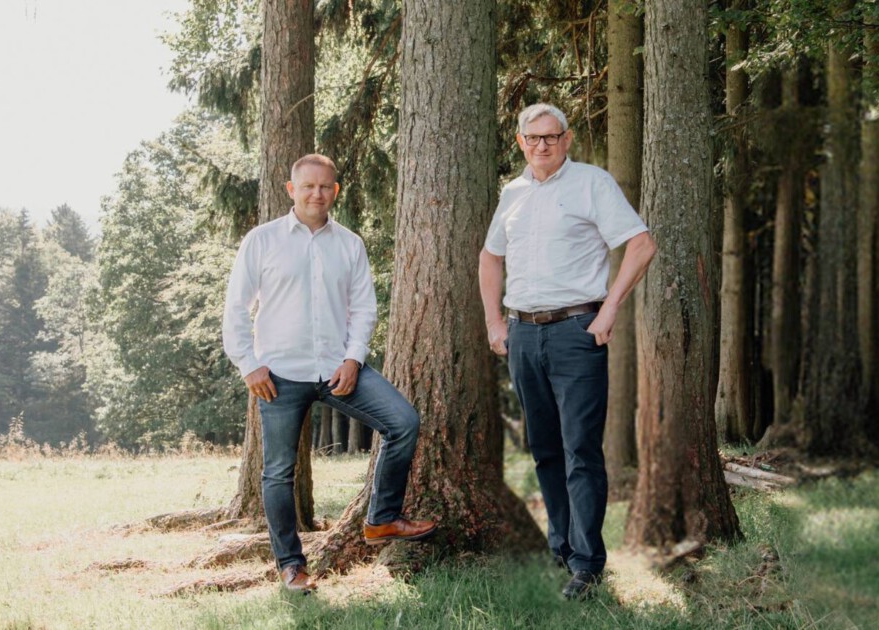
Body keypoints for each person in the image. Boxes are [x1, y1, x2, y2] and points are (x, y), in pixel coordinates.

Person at [222, 154, 437, 593]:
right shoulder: (261, 241)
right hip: (277, 375)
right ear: (291, 190)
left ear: (335, 191)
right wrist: (249, 365)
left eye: (325, 187)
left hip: (339, 370)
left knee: (403, 423)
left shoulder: (349, 244)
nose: (317, 194)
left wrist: (354, 359)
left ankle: (381, 519)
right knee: (278, 472)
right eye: (308, 187)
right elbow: (235, 308)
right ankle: (291, 565)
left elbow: (363, 308)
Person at [479, 104, 657, 600]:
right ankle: (559, 548)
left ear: (568, 138)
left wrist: (609, 311)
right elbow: (490, 256)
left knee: (580, 449)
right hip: (522, 334)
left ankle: (587, 564)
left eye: (551, 137)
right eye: (532, 138)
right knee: (545, 449)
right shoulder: (512, 193)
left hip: (577, 330)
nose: (542, 146)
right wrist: (496, 322)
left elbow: (641, 244)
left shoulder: (592, 183)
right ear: (520, 142)